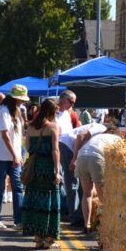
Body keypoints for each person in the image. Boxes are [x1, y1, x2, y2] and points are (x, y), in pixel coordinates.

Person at [22, 98, 62, 249]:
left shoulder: (31, 126)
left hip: (34, 169)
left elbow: (27, 147)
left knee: (35, 202)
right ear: (52, 112)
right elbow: (55, 150)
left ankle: (38, 238)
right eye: (56, 111)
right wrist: (57, 172)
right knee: (50, 202)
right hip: (47, 167)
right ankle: (49, 240)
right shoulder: (53, 127)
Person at [0, 84, 27, 229]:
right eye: (21, 99)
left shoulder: (16, 110)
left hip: (13, 155)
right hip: (1, 156)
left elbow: (17, 136)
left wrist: (19, 154)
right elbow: (5, 135)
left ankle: (19, 220)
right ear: (15, 98)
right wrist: (15, 155)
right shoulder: (3, 110)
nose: (23, 102)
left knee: (17, 187)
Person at [72, 124, 123, 233]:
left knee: (87, 194)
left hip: (82, 157)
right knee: (103, 198)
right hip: (96, 158)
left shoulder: (97, 137)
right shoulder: (118, 139)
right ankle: (105, 226)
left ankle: (87, 225)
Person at [54, 90, 81, 225]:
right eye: (71, 102)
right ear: (62, 99)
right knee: (66, 181)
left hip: (68, 147)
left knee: (69, 181)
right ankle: (70, 212)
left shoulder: (66, 113)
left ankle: (70, 211)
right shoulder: (54, 112)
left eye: (74, 102)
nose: (72, 105)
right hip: (60, 147)